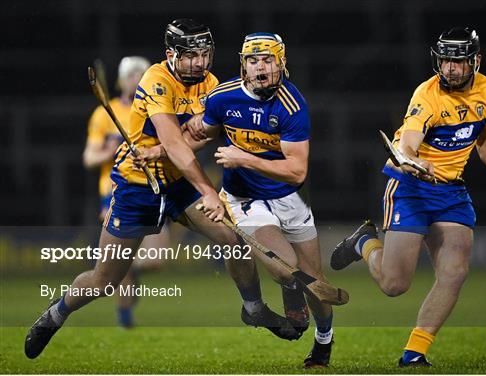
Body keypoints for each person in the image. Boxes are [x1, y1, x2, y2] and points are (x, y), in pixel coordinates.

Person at [25, 19, 297, 361]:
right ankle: (55, 315)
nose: (200, 62)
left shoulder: (208, 83)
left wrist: (167, 149)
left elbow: (205, 134)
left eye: (205, 54)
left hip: (178, 185)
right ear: (171, 55)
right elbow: (181, 146)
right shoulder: (156, 80)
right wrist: (207, 188)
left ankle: (254, 308)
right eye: (191, 56)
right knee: (105, 280)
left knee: (235, 241)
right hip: (137, 188)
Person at [330, 27, 486, 367]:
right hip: (410, 188)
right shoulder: (426, 95)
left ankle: (414, 353)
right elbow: (408, 144)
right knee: (394, 284)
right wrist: (414, 162)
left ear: (476, 61)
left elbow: (485, 136)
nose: (451, 69)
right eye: (445, 62)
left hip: (451, 191)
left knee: (455, 272)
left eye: (458, 63)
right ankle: (364, 242)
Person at [185, 32, 335, 368]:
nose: (260, 67)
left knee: (316, 282)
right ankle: (287, 289)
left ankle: (324, 340)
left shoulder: (292, 105)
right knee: (284, 269)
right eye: (253, 61)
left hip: (290, 197)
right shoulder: (222, 97)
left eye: (267, 59)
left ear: (282, 63)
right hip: (245, 199)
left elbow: (297, 171)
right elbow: (200, 135)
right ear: (243, 65)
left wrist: (245, 158)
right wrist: (160, 151)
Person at [83, 56, 170, 328]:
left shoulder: (154, 111)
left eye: (141, 74)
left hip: (151, 188)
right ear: (121, 80)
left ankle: (128, 269)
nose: (136, 79)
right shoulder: (103, 115)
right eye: (131, 75)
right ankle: (124, 317)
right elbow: (88, 158)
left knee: (156, 258)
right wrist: (108, 152)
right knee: (119, 257)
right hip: (115, 192)